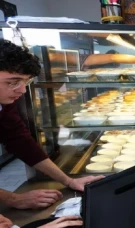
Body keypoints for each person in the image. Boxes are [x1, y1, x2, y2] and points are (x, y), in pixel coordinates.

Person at [0, 39, 103, 220]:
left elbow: (20, 141)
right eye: (12, 82)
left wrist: (68, 180)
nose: (22, 90)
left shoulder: (5, 103)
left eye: (26, 81)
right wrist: (14, 199)